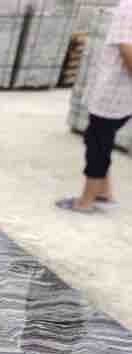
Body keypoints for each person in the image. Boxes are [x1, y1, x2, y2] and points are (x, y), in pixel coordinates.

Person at [57, 0, 132, 212]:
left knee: (98, 144)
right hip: (121, 91)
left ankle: (86, 201)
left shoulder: (128, 7)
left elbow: (127, 49)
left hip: (115, 91)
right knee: (98, 138)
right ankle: (103, 192)